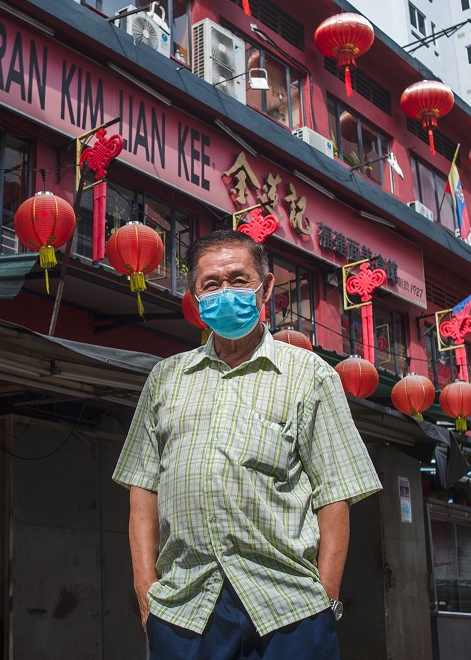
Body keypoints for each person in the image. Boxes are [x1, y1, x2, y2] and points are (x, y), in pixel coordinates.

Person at [112, 229, 382, 659]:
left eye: (239, 280)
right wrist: (146, 592)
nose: (225, 293)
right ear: (195, 296)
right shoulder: (165, 378)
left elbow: (335, 493)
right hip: (185, 607)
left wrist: (325, 597)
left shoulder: (310, 375)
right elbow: (143, 487)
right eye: (211, 284)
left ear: (266, 287)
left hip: (288, 608)